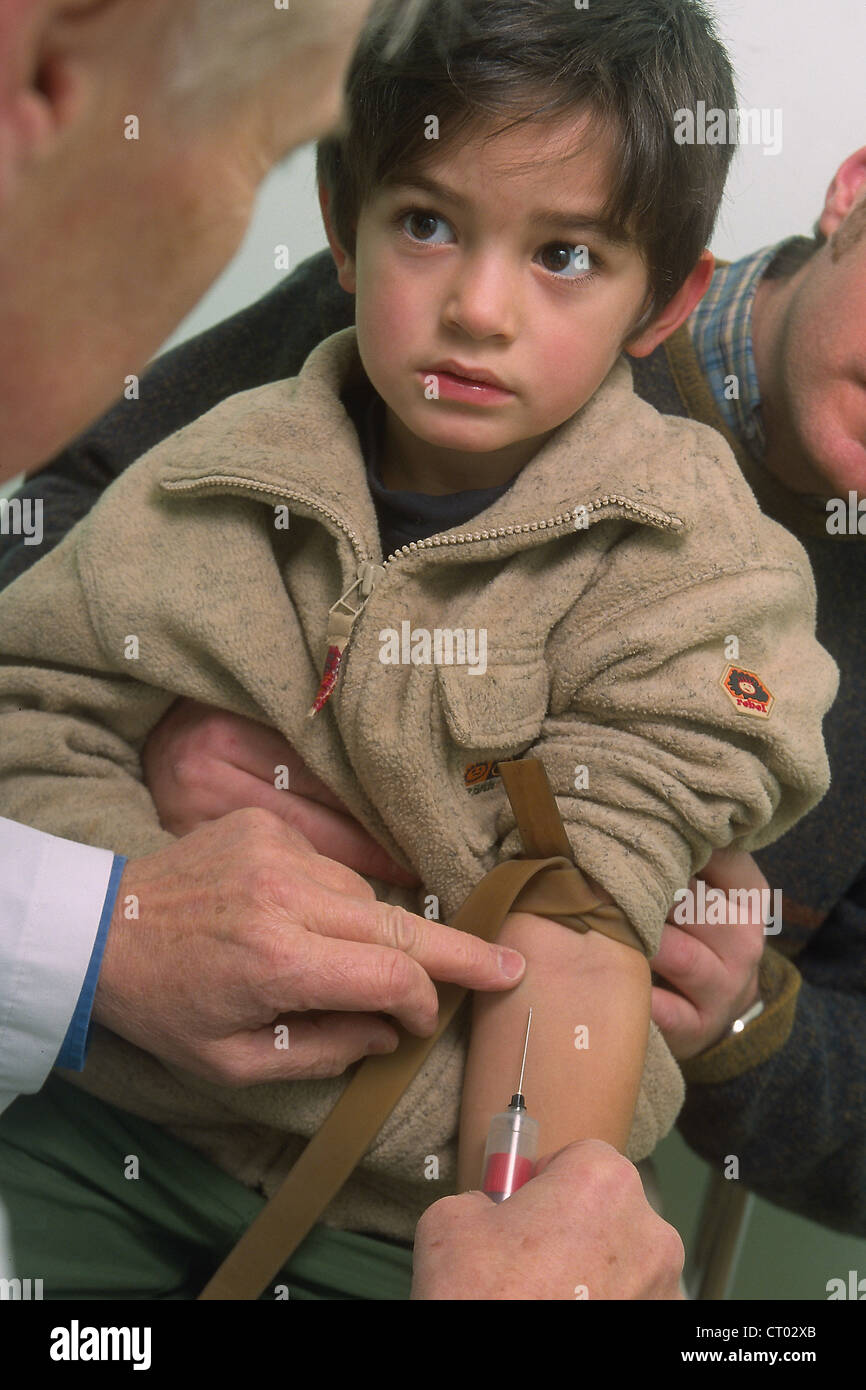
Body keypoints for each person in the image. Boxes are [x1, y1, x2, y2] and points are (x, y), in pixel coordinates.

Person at [0, 0, 836, 1297]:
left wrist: (522, 1225)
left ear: (663, 298)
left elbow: (580, 910)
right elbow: (32, 702)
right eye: (429, 226)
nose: (478, 309)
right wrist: (143, 894)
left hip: (409, 1218)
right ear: (344, 227)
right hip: (101, 1128)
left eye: (562, 254)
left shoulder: (697, 570)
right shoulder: (217, 460)